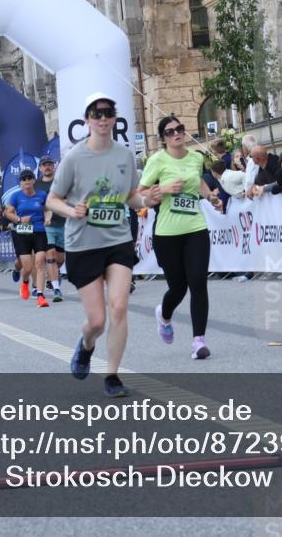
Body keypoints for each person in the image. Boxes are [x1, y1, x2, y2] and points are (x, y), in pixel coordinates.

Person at [49, 93, 148, 397]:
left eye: (108, 113)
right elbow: (53, 199)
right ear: (88, 120)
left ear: (114, 118)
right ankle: (87, 343)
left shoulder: (124, 155)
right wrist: (71, 210)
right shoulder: (75, 158)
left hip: (118, 239)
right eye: (97, 113)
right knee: (97, 320)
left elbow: (130, 196)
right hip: (83, 244)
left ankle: (112, 376)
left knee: (119, 306)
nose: (103, 118)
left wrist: (146, 200)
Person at [140, 115, 223, 360]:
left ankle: (199, 341)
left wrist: (210, 197)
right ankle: (164, 316)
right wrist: (164, 189)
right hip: (167, 233)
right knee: (178, 287)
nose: (176, 134)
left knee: (198, 282)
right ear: (163, 138)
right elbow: (140, 192)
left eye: (180, 129)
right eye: (170, 131)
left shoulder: (196, 158)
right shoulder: (157, 160)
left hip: (195, 228)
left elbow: (197, 183)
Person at [6, 169, 50, 308]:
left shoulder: (42, 195)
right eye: (24, 179)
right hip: (22, 233)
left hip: (39, 231)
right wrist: (19, 219)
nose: (27, 181)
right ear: (21, 182)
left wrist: (48, 218)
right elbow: (8, 213)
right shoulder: (15, 196)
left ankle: (40, 295)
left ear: (34, 180)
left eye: (29, 178)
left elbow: (48, 208)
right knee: (28, 267)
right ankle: (25, 282)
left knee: (40, 262)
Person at [36, 156, 67, 302]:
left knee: (60, 259)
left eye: (49, 164)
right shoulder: (36, 185)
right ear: (40, 168)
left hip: (63, 223)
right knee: (51, 256)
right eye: (44, 165)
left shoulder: (61, 183)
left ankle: (53, 275)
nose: (47, 167)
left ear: (53, 166)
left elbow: (71, 198)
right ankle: (56, 289)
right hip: (45, 226)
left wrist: (55, 203)